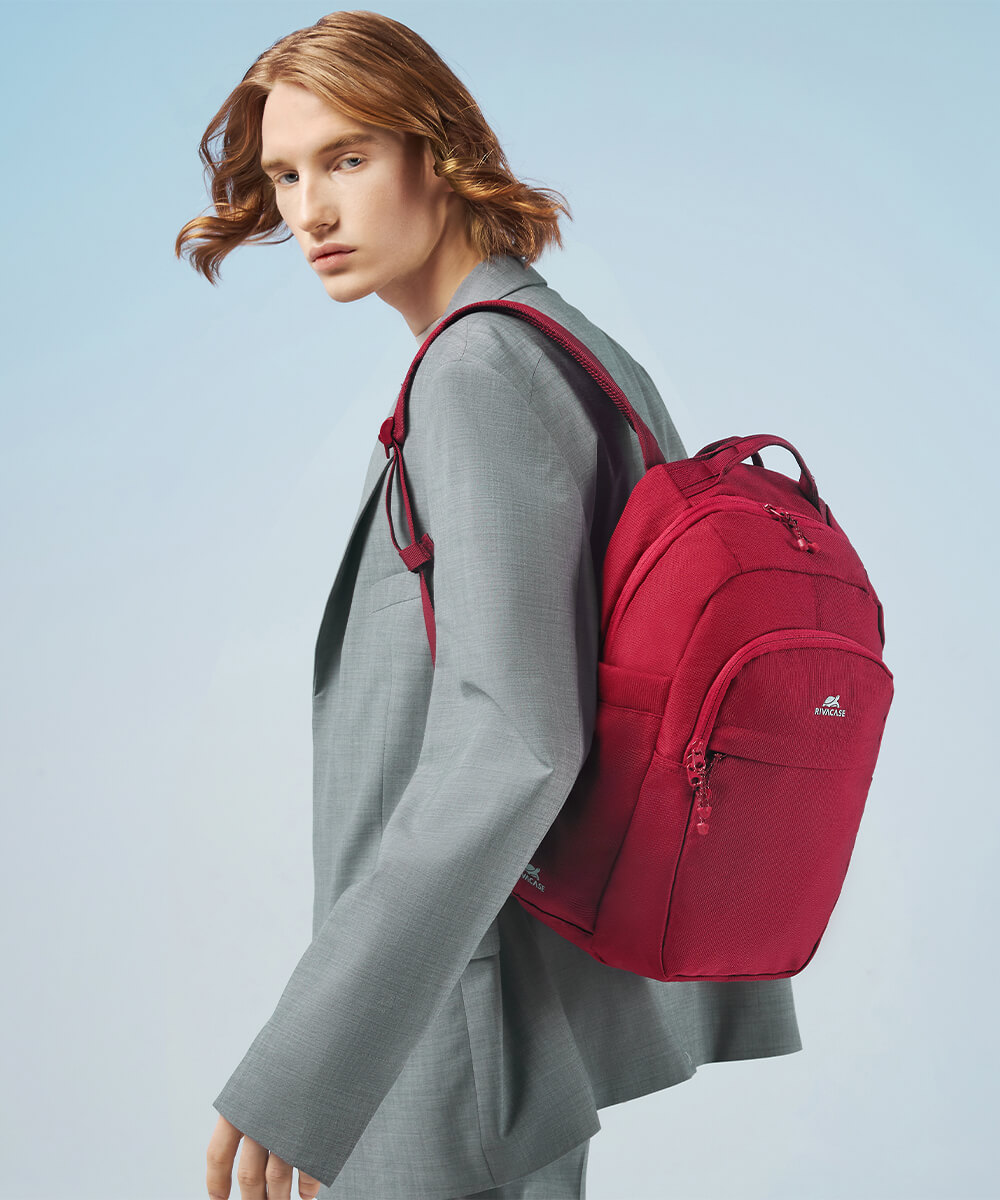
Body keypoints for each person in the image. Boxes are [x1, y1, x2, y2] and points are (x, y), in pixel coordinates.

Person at [176, 11, 803, 1200]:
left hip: (452, 1010)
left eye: (346, 159)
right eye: (286, 175)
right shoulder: (569, 347)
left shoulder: (480, 370)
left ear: (438, 149)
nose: (310, 212)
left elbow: (513, 741)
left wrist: (311, 1059)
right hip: (512, 991)